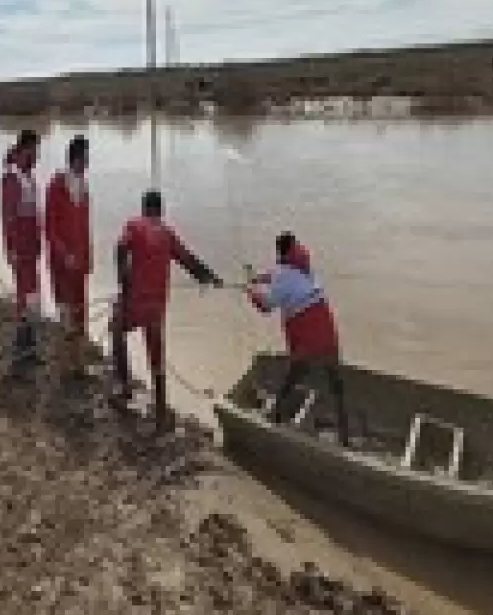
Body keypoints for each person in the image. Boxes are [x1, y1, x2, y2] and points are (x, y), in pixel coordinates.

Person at [111, 189, 222, 432]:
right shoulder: (167, 233)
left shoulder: (135, 224)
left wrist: (123, 278)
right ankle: (161, 410)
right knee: (156, 354)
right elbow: (187, 259)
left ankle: (124, 388)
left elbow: (120, 247)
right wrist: (209, 276)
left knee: (116, 330)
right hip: (157, 304)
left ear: (144, 208)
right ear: (160, 210)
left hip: (136, 300)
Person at [245, 232, 348, 442]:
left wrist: (251, 290)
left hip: (308, 333)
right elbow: (276, 276)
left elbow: (266, 306)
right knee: (335, 380)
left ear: (279, 252)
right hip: (326, 327)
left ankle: (274, 416)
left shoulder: (282, 275)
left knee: (293, 376)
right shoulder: (305, 267)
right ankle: (345, 433)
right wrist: (259, 279)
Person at [44, 135, 92, 378]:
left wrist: (88, 256)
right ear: (75, 158)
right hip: (62, 264)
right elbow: (50, 227)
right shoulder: (56, 184)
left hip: (80, 263)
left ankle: (79, 363)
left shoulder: (83, 186)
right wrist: (64, 255)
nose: (87, 162)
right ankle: (64, 364)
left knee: (80, 312)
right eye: (85, 157)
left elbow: (85, 225)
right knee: (64, 312)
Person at [0, 128, 43, 363]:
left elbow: (33, 213)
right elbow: (8, 215)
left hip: (30, 246)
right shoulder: (12, 176)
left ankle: (29, 344)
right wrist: (11, 248)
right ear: (26, 148)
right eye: (36, 150)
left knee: (32, 294)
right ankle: (21, 347)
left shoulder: (27, 176)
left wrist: (37, 241)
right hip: (20, 246)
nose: (38, 155)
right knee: (24, 294)